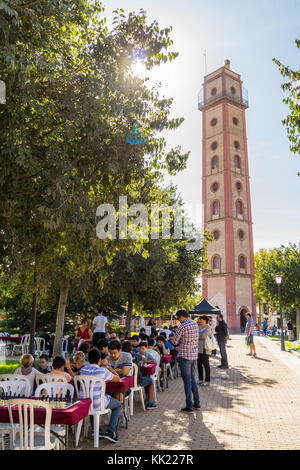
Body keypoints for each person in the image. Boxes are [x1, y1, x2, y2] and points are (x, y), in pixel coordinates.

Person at [80, 348, 121, 443]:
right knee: (118, 405)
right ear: (99, 360)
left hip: (84, 403)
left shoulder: (83, 370)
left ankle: (95, 430)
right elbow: (118, 379)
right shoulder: (103, 371)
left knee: (90, 399)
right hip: (98, 403)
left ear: (88, 360)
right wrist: (108, 367)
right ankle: (110, 432)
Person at [171, 309, 200, 413]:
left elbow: (174, 342)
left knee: (187, 381)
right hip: (194, 355)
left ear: (182, 316)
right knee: (193, 379)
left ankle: (189, 405)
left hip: (184, 356)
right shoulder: (195, 324)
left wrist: (174, 340)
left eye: (178, 318)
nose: (178, 320)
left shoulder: (182, 327)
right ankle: (197, 402)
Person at [133, 342, 158, 409]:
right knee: (148, 381)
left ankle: (148, 398)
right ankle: (148, 400)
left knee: (148, 380)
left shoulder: (148, 354)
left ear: (146, 348)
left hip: (145, 372)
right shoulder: (137, 354)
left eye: (143, 348)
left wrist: (147, 362)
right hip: (139, 374)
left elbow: (154, 361)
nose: (141, 350)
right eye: (140, 348)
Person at [198, 315, 212, 386]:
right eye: (200, 320)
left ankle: (207, 380)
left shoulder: (208, 327)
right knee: (199, 364)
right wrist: (200, 336)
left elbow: (204, 336)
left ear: (205, 320)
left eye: (202, 320)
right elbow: (199, 336)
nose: (200, 321)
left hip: (205, 348)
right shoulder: (199, 327)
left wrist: (199, 336)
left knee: (206, 364)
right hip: (199, 349)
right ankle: (200, 379)